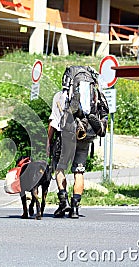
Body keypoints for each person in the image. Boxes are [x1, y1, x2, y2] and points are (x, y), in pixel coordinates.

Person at [47, 66, 108, 219]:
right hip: (86, 135)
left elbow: (53, 123)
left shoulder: (60, 96)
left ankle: (63, 202)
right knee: (79, 171)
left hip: (67, 136)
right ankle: (75, 208)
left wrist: (48, 142)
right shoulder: (94, 94)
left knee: (60, 168)